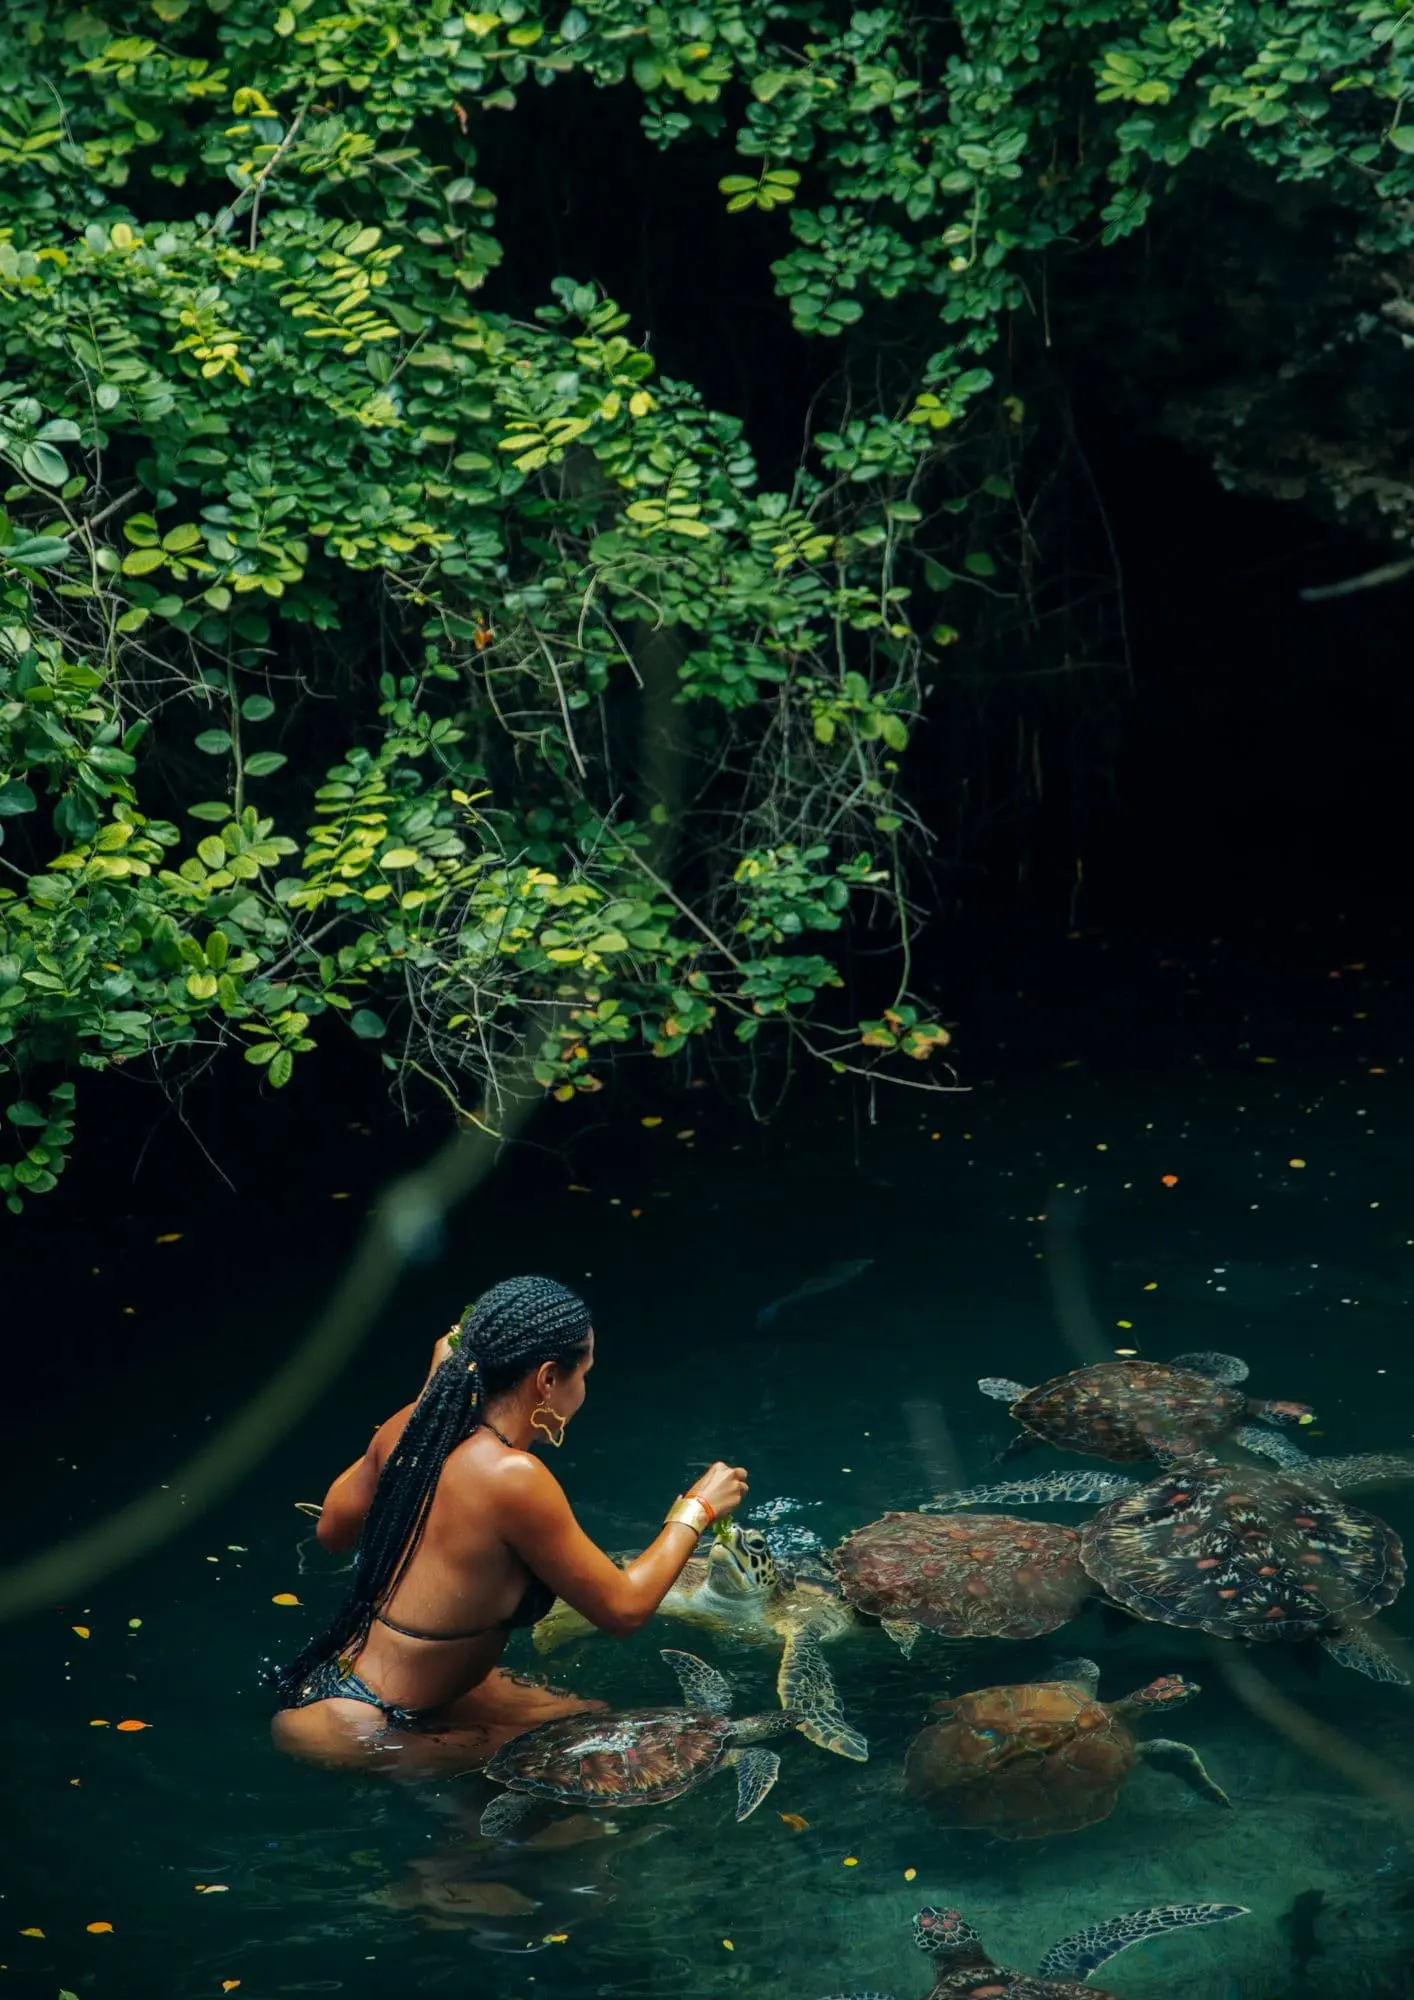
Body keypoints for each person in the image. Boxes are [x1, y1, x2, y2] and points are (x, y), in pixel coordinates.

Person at [269, 1275, 748, 1774]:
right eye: (583, 1375)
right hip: (369, 1728)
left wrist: (425, 1403)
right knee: (594, 1759)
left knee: (592, 1718)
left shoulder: (412, 1428)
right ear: (546, 1380)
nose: (583, 1391)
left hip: (330, 1682)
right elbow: (623, 1611)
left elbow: (331, 1533)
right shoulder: (512, 1477)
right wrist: (697, 1508)